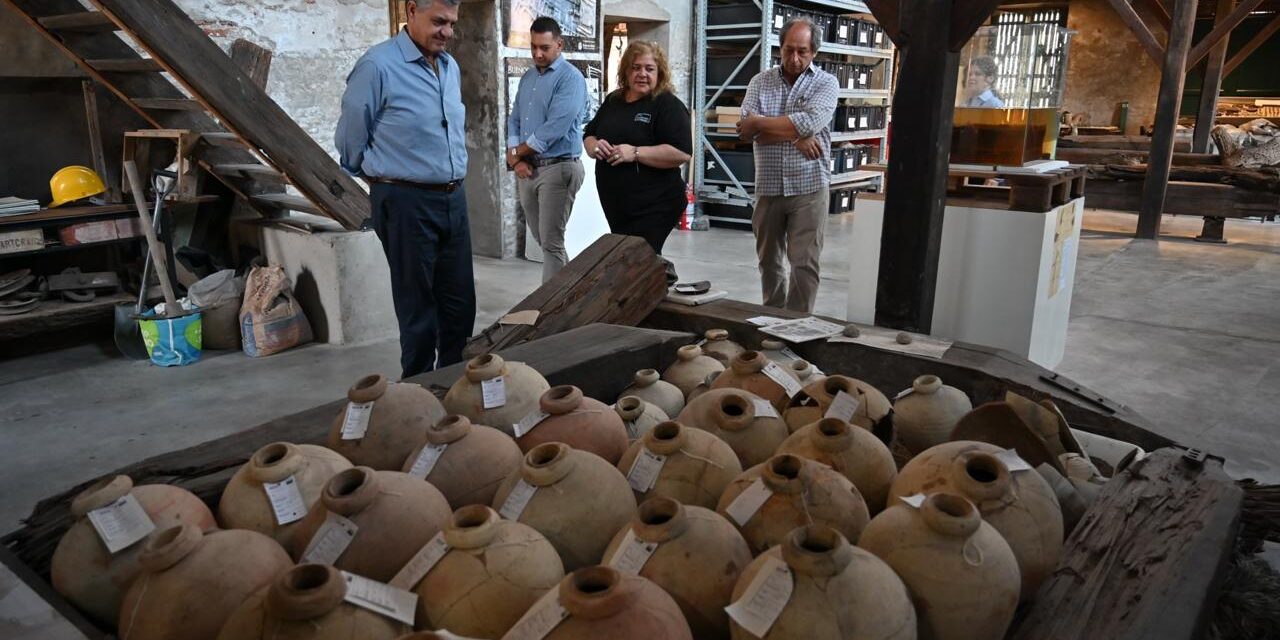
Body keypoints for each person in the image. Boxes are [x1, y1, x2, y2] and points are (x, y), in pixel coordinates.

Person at [335, 0, 475, 378]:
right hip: (405, 200)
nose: (447, 32)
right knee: (418, 311)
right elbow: (350, 136)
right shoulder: (377, 66)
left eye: (452, 23)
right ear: (411, 10)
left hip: (453, 198)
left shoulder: (449, 67)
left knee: (460, 305)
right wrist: (380, 179)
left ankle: (455, 388)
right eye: (438, 22)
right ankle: (417, 396)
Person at [737, 17, 838, 313]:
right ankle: (771, 316)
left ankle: (797, 324)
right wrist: (797, 137)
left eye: (802, 51)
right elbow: (745, 130)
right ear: (780, 47)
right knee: (768, 261)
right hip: (768, 187)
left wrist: (762, 125)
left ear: (814, 52)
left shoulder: (826, 83)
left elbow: (810, 121)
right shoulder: (760, 81)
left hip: (809, 186)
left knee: (804, 262)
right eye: (789, 50)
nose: (794, 58)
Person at [583, 41, 692, 258]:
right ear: (626, 71)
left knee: (637, 260)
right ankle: (658, 282)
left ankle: (659, 286)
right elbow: (589, 134)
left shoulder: (667, 105)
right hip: (618, 203)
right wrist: (595, 147)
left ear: (659, 73)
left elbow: (681, 152)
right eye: (636, 67)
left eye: (649, 68)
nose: (642, 74)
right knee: (630, 260)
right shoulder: (614, 100)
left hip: (655, 204)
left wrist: (634, 152)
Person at [507, 17, 588, 282]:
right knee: (543, 240)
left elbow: (555, 128)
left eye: (544, 47)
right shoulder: (529, 77)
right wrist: (517, 159)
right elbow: (515, 119)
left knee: (552, 243)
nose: (537, 53)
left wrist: (516, 153)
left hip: (559, 166)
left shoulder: (571, 79)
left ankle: (550, 310)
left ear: (559, 44)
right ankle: (575, 289)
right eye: (533, 47)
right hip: (530, 168)